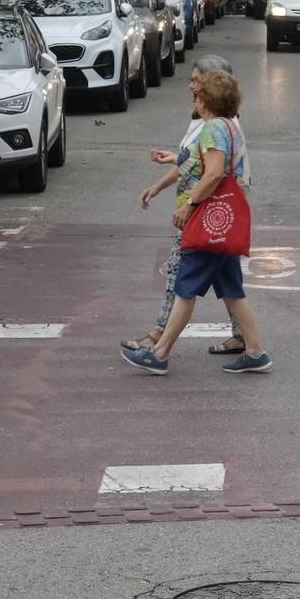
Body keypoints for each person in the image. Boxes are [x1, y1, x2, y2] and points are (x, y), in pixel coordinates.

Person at [122, 69, 270, 376]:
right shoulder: (229, 126)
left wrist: (190, 205)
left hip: (209, 223)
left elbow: (214, 173)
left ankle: (159, 353)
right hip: (226, 222)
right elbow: (204, 164)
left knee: (185, 287)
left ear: (207, 100)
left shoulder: (211, 129)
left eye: (197, 94)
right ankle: (255, 351)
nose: (194, 98)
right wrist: (171, 167)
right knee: (232, 290)